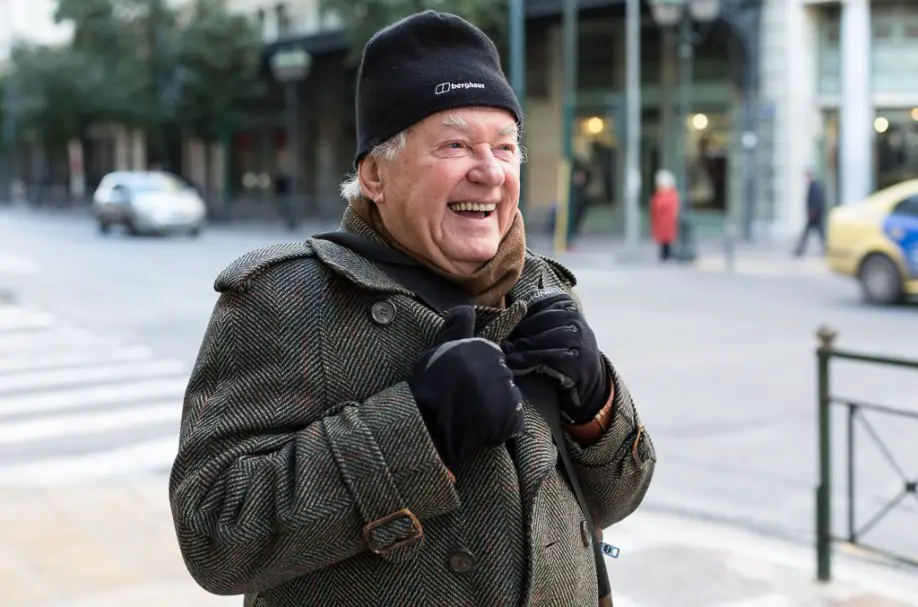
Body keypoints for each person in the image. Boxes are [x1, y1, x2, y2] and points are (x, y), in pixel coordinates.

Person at [169, 10, 656, 607]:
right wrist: (418, 428)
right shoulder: (286, 296)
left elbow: (616, 502)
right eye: (456, 145)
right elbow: (214, 537)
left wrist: (595, 405)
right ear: (375, 175)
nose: (490, 171)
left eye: (506, 147)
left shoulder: (543, 288)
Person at [794, 168, 826, 256]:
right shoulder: (814, 185)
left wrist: (812, 212)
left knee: (810, 233)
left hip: (814, 215)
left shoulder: (814, 186)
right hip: (815, 214)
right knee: (818, 233)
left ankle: (800, 250)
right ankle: (800, 249)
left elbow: (816, 200)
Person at [650, 169, 680, 262]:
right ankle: (665, 254)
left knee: (667, 238)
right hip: (662, 221)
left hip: (667, 221)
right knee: (664, 238)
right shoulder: (661, 196)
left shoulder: (669, 195)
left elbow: (669, 207)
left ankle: (666, 254)